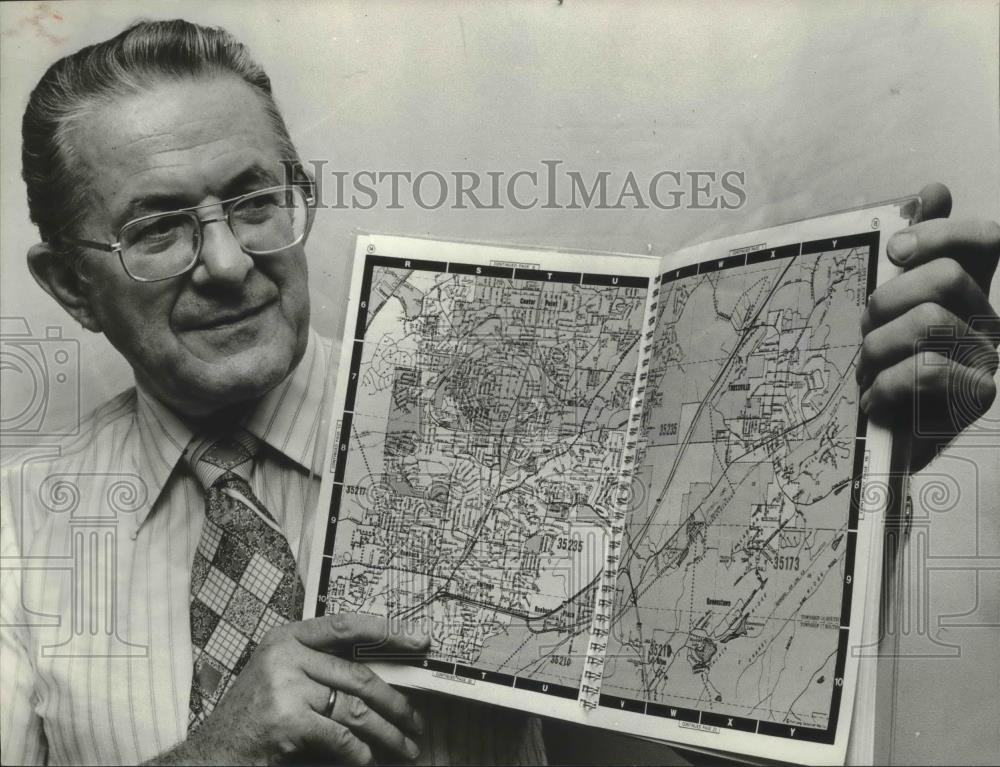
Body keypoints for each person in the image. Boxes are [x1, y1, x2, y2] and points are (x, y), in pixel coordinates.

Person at [1, 17, 997, 767]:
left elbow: (729, 699)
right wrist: (209, 753)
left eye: (256, 201)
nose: (227, 262)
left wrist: (866, 459)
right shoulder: (14, 527)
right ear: (70, 286)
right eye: (159, 226)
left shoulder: (513, 410)